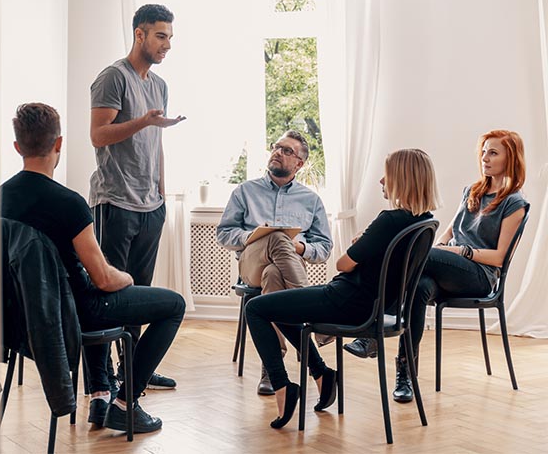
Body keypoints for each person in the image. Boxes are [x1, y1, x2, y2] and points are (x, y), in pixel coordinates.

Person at [0, 103, 185, 433]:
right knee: (173, 305)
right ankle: (125, 403)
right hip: (75, 311)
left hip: (22, 316)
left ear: (17, 147)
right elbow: (103, 277)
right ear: (59, 144)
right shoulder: (69, 203)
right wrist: (126, 276)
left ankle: (101, 392)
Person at [245, 148, 440, 429]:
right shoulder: (425, 221)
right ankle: (322, 374)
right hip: (373, 305)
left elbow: (343, 264)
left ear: (402, 178)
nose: (382, 182)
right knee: (280, 308)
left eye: (387, 175)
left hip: (346, 301)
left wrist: (360, 243)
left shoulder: (389, 220)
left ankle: (283, 387)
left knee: (256, 308)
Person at [344, 130, 527, 403]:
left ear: (510, 158)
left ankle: (372, 324)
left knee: (408, 251)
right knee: (418, 287)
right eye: (483, 151)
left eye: (493, 153)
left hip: (479, 276)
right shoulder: (472, 191)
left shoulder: (514, 202)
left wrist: (460, 251)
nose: (484, 158)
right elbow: (447, 233)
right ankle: (406, 374)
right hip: (446, 266)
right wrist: (442, 247)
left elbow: (499, 258)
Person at [88, 3, 185, 390]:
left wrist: (160, 190)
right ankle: (102, 380)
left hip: (150, 206)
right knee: (109, 293)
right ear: (139, 34)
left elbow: (154, 141)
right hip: (115, 203)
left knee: (139, 294)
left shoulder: (159, 85)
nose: (167, 45)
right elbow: (98, 135)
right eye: (161, 36)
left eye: (170, 38)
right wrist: (143, 120)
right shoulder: (113, 77)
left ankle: (133, 369)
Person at [216, 130, 333, 395]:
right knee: (276, 237)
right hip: (250, 264)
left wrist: (300, 247)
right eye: (276, 147)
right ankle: (317, 315)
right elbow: (224, 233)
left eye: (287, 151)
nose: (278, 152)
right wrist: (254, 236)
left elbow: (324, 247)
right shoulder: (245, 191)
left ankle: (273, 365)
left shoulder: (311, 200)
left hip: (286, 268)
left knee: (273, 275)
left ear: (299, 164)